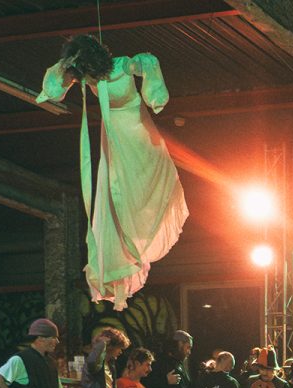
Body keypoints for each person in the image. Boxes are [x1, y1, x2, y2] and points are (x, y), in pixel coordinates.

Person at [36, 35, 187, 310]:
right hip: (114, 139)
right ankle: (122, 262)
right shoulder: (85, 77)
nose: (86, 79)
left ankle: (140, 236)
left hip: (136, 132)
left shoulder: (122, 65)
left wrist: (155, 95)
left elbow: (148, 62)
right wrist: (64, 66)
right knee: (113, 201)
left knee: (138, 189)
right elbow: (53, 91)